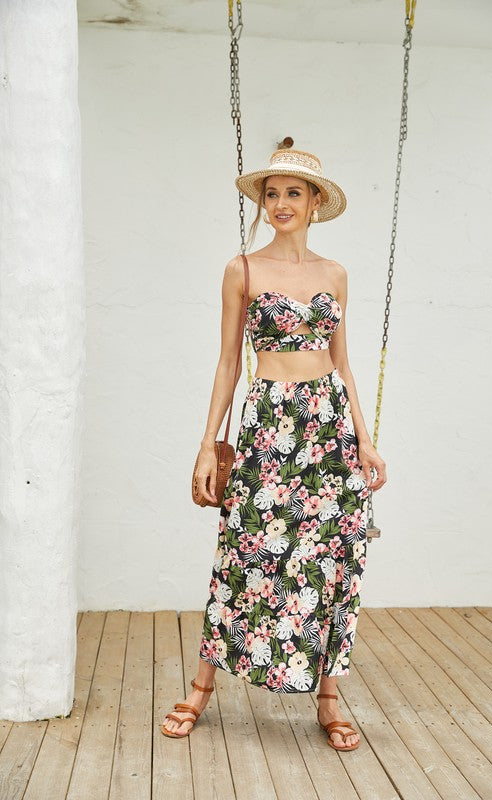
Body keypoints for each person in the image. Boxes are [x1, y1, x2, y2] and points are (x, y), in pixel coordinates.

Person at [161, 148, 387, 751]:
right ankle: (201, 689)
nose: (281, 205)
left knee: (333, 557)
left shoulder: (335, 273)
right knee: (244, 551)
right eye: (272, 194)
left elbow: (343, 364)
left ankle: (329, 698)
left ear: (315, 203)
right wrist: (208, 445)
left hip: (328, 428)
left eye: (294, 193)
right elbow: (229, 361)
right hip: (269, 424)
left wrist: (365, 438)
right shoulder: (243, 269)